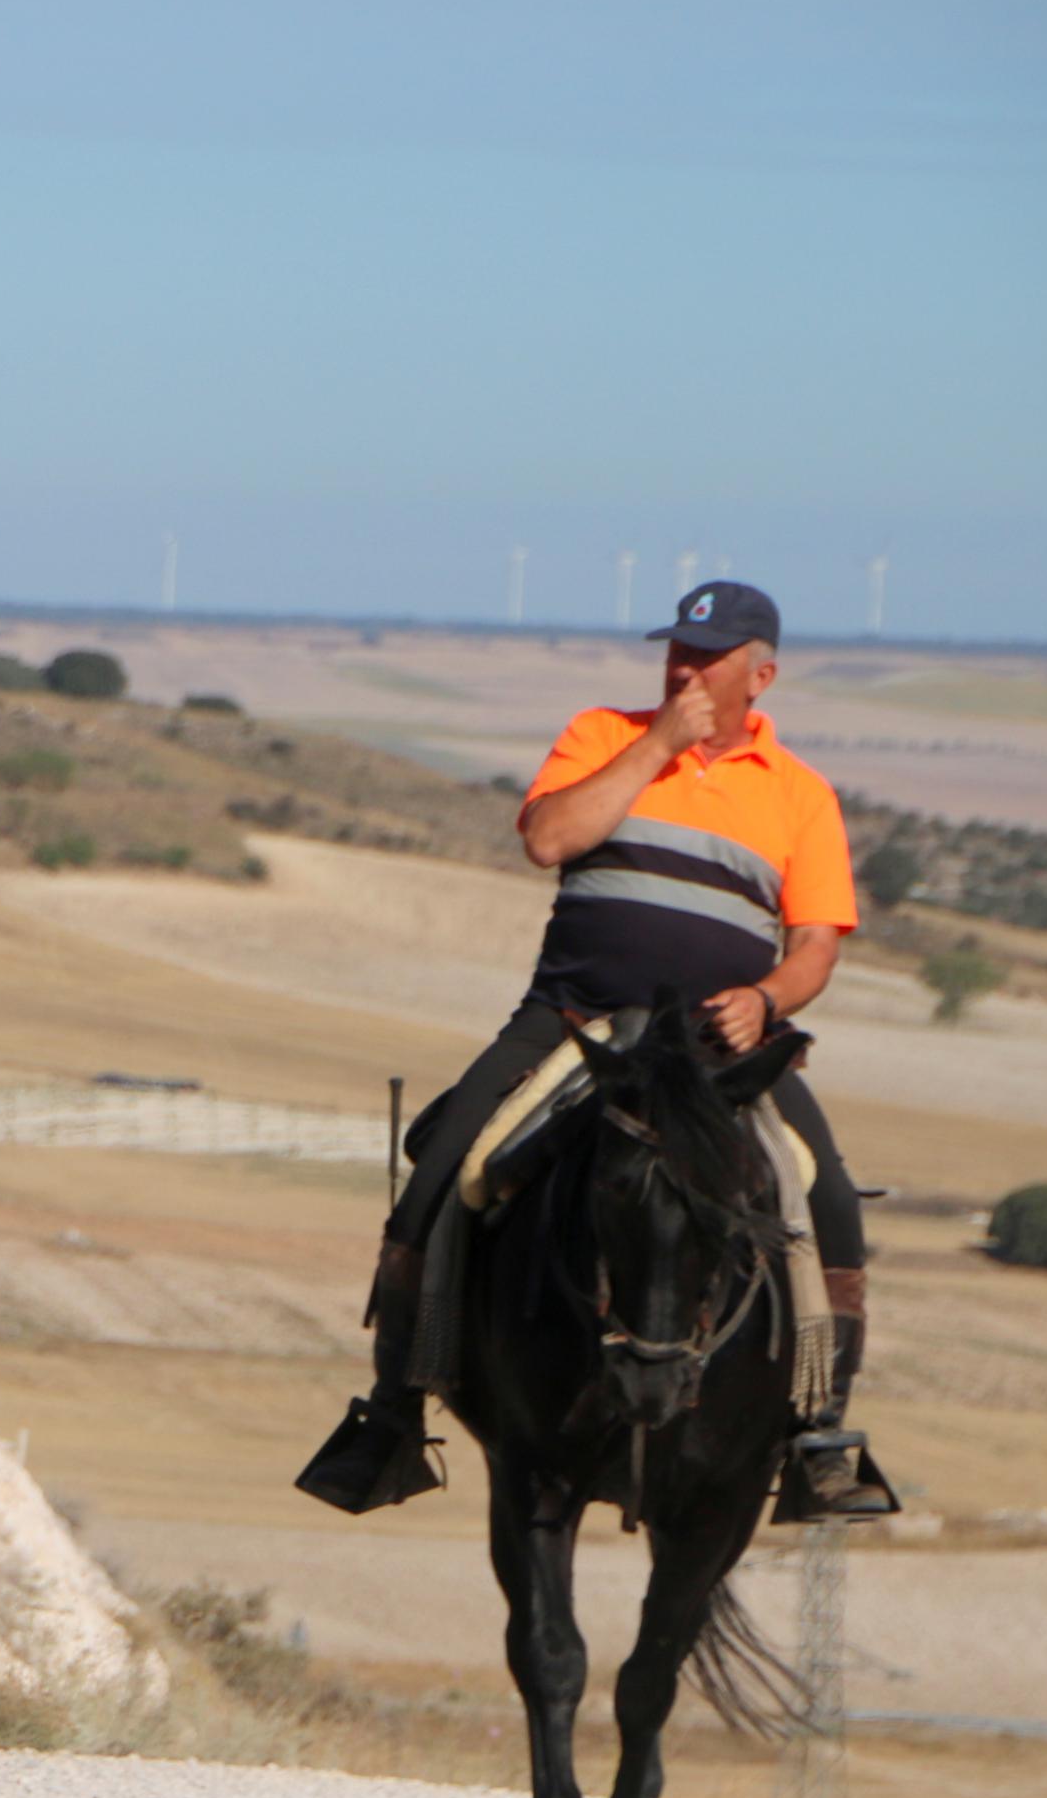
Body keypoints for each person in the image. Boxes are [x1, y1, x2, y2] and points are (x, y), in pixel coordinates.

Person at [296, 581, 896, 1521]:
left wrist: (764, 998)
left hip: (712, 1048)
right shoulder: (599, 734)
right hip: (570, 1018)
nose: (683, 669)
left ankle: (819, 1435)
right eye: (676, 653)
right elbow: (547, 838)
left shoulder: (801, 794)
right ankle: (392, 1412)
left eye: (707, 658)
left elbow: (815, 943)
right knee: (444, 1163)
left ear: (761, 674)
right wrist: (657, 742)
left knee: (823, 1200)